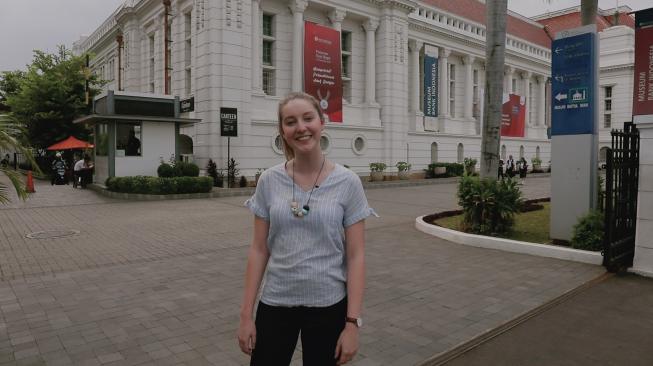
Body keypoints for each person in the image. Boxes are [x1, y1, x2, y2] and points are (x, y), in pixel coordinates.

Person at [238, 92, 376, 366]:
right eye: (290, 122)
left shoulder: (347, 182)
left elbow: (356, 256)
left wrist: (352, 324)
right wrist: (245, 316)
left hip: (328, 306)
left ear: (322, 123)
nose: (301, 127)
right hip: (276, 303)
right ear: (283, 131)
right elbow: (259, 249)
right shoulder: (269, 180)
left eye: (308, 118)